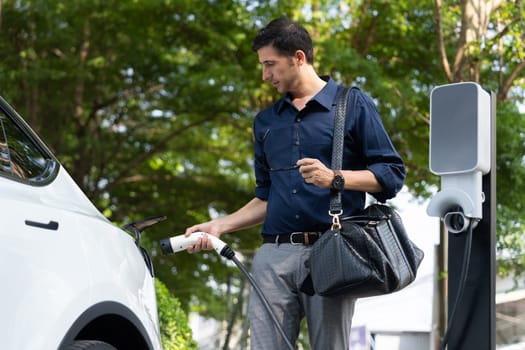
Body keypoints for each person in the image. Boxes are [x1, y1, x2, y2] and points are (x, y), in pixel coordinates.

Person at [185, 16, 406, 350]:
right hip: (273, 255)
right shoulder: (265, 122)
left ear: (299, 57)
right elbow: (265, 196)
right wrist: (220, 225)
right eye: (262, 66)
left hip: (333, 251)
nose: (265, 75)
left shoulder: (351, 104)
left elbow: (391, 174)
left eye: (270, 64)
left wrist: (335, 178)